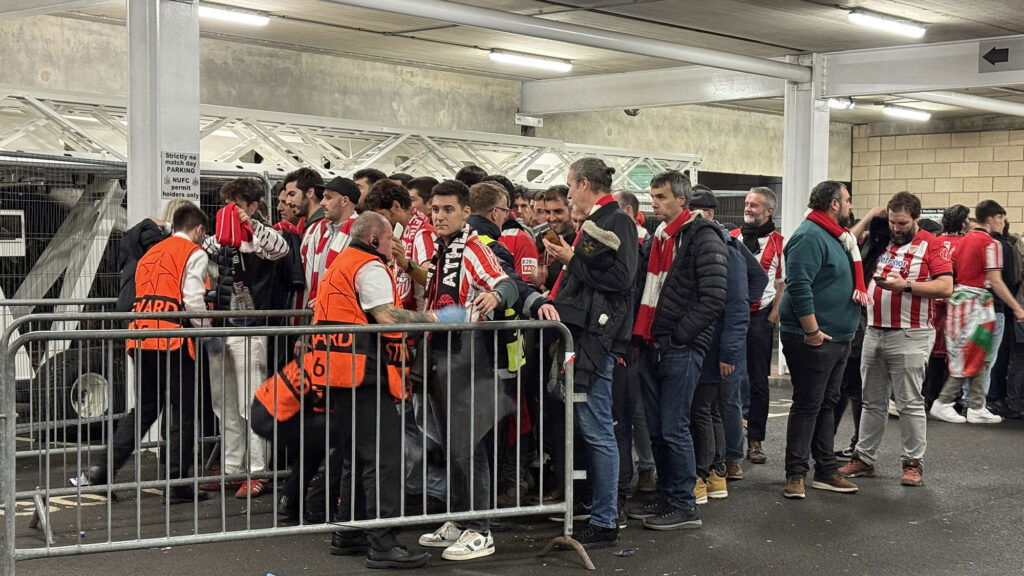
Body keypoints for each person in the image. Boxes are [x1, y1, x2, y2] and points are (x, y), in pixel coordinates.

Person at [313, 211, 449, 569]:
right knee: (384, 455)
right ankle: (383, 542)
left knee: (354, 456)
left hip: (335, 367)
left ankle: (349, 532)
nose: (394, 246)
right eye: (390, 240)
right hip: (362, 370)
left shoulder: (342, 262)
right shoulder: (370, 266)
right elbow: (386, 317)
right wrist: (434, 318)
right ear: (375, 239)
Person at [417, 179, 518, 561]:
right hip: (441, 353)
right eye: (435, 210)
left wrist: (496, 295)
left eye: (447, 210)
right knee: (452, 446)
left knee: (470, 445)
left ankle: (481, 529)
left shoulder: (474, 247)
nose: (438, 216)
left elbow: (507, 283)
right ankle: (460, 520)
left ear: (464, 211)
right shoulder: (438, 251)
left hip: (469, 356)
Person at [87, 203, 211, 504]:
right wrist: (206, 327)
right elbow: (193, 298)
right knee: (182, 412)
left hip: (141, 337)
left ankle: (104, 470)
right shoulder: (193, 253)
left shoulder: (151, 254)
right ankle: (177, 483)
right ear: (198, 229)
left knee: (144, 408)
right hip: (173, 339)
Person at [543, 157, 637, 546]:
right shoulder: (604, 221)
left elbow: (621, 279)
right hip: (587, 338)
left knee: (598, 430)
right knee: (593, 428)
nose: (567, 194)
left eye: (569, 186)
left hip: (597, 341)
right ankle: (600, 512)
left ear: (584, 184)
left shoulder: (618, 221)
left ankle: (604, 518)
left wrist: (572, 260)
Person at [627, 170, 726, 529]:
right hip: (653, 342)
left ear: (682, 200)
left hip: (677, 346)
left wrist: (681, 337)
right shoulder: (658, 237)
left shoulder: (703, 236)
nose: (655, 203)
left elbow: (714, 296)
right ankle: (668, 498)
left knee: (673, 427)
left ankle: (684, 504)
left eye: (662, 196)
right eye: (652, 196)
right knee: (657, 429)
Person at [838, 192, 953, 486]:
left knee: (909, 402)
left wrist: (907, 286)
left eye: (902, 223)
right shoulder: (881, 239)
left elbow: (945, 286)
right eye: (892, 221)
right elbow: (844, 242)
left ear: (915, 218)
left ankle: (912, 464)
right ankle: (863, 458)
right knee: (871, 401)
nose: (896, 228)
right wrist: (870, 217)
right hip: (874, 330)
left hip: (911, 334)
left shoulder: (933, 244)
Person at [203, 178, 290, 498]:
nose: (232, 209)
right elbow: (202, 248)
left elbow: (279, 249)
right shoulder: (221, 238)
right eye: (230, 203)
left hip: (251, 328)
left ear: (254, 205)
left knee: (250, 402)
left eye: (239, 203)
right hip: (221, 326)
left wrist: (249, 224)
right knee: (222, 403)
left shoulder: (263, 236)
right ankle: (231, 468)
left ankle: (257, 471)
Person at [779, 181, 863, 499]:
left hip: (838, 336)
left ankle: (825, 471)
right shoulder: (809, 237)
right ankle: (795, 475)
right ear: (834, 204)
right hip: (813, 337)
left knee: (827, 404)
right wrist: (812, 331)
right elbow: (798, 286)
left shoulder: (837, 238)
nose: (851, 206)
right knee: (808, 404)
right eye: (848, 201)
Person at [930, 200, 1024, 424]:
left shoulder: (963, 241)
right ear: (991, 218)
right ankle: (944, 401)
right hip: (978, 305)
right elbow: (996, 280)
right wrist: (1016, 306)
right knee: (973, 353)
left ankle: (976, 405)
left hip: (959, 302)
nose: (1003, 222)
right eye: (1001, 217)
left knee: (977, 354)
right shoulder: (990, 244)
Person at [729, 187, 785, 465]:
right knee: (731, 378)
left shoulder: (779, 243)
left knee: (758, 381)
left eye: (755, 205)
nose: (749, 208)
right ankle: (730, 442)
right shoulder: (731, 238)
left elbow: (782, 283)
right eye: (747, 203)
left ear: (769, 211)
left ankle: (755, 440)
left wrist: (773, 315)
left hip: (761, 318)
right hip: (733, 317)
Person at [299, 177, 361, 308]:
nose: (322, 203)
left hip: (344, 313)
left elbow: (359, 279)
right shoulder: (321, 230)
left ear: (345, 201)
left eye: (328, 198)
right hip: (319, 309)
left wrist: (331, 299)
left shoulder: (361, 233)